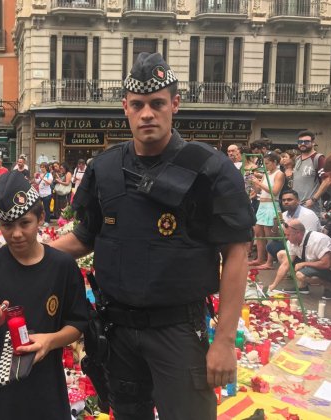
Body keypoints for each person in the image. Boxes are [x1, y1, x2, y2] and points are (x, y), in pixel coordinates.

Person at [51, 53, 254, 419]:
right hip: (117, 333)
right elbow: (85, 237)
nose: (147, 114)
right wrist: (32, 255)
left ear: (174, 104)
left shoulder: (210, 168)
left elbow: (236, 252)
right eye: (138, 105)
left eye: (157, 104)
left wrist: (224, 341)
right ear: (125, 108)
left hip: (177, 331)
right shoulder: (104, 168)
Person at [0, 171, 88, 419]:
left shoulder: (62, 266)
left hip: (46, 384)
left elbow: (78, 323)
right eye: (7, 225)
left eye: (24, 223)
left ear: (40, 217)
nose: (16, 234)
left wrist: (49, 340)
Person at [266, 219, 331, 299]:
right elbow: (285, 264)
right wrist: (274, 285)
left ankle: (329, 285)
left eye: (288, 235)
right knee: (282, 254)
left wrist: (304, 264)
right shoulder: (291, 242)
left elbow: (326, 264)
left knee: (301, 274)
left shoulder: (319, 240)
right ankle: (302, 287)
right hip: (313, 263)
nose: (286, 237)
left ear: (298, 233)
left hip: (328, 268)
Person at [258, 189, 321, 270]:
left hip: (310, 247)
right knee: (272, 245)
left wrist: (289, 240)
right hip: (294, 244)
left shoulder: (307, 214)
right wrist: (275, 224)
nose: (286, 202)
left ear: (298, 201)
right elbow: (275, 238)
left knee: (287, 247)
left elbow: (310, 238)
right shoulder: (284, 215)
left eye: (289, 199)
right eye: (284, 200)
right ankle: (293, 267)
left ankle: (303, 266)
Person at [248, 152, 285, 267]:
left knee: (269, 235)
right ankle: (260, 259)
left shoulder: (279, 174)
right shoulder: (266, 174)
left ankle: (269, 262)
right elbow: (258, 191)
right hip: (262, 204)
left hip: (272, 205)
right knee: (259, 234)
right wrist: (253, 183)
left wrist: (258, 182)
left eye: (267, 163)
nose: (265, 165)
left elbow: (274, 191)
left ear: (274, 162)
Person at [293, 130, 325, 213]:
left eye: (306, 141)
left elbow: (327, 181)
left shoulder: (318, 158)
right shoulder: (297, 159)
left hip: (311, 207)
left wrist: (313, 200)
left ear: (313, 142)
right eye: (300, 141)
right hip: (296, 205)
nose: (303, 143)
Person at [37, 163, 53, 227]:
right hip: (40, 194)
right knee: (39, 208)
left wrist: (43, 178)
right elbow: (37, 182)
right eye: (41, 167)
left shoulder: (49, 174)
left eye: (43, 167)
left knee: (46, 208)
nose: (42, 168)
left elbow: (49, 183)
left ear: (46, 168)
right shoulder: (40, 174)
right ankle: (40, 220)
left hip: (47, 194)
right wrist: (35, 177)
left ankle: (47, 221)